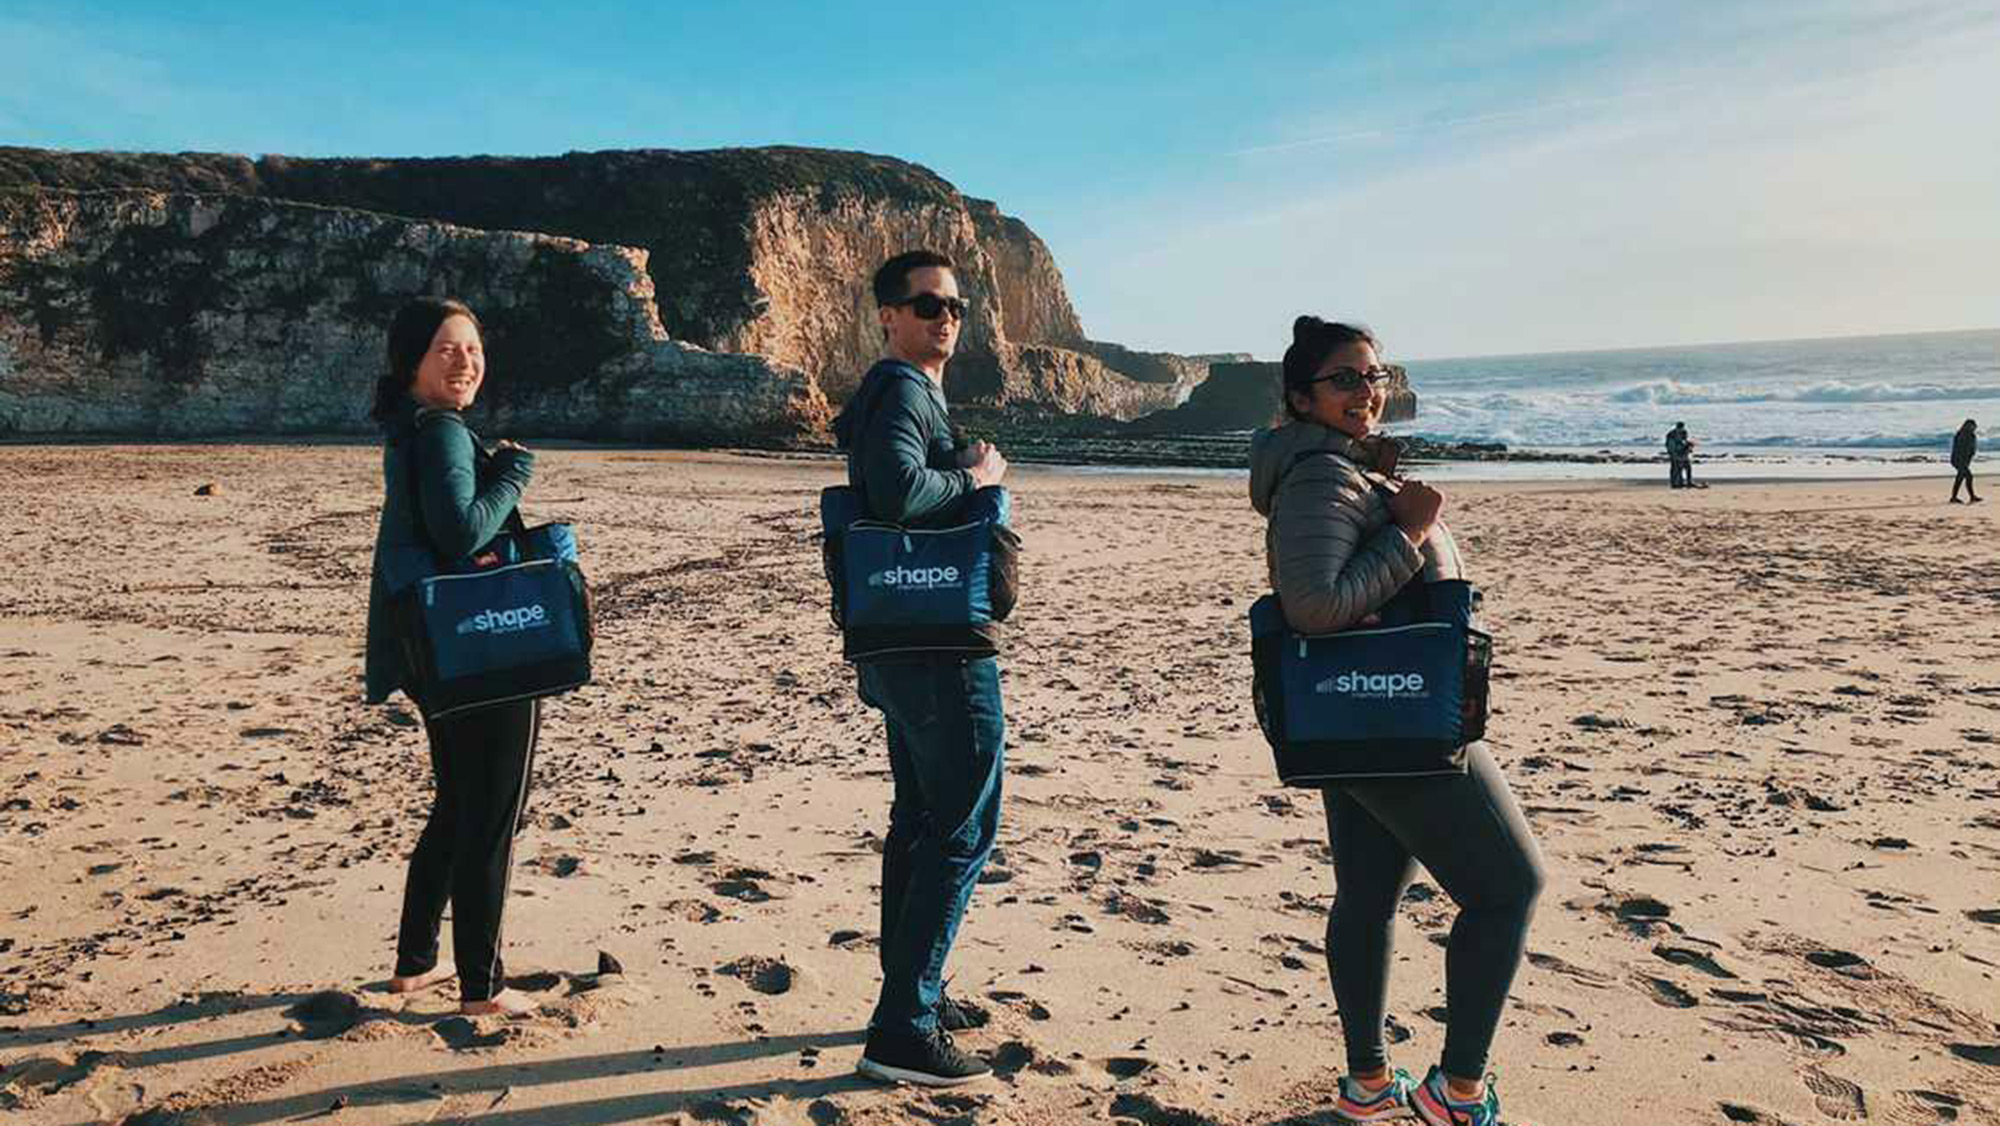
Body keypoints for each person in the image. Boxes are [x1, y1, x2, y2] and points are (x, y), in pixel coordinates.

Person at [1248, 316, 1545, 1126]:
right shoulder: (1319, 478)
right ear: (1301, 396)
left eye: (1375, 375)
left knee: (1370, 895)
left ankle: (1369, 1092)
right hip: (1394, 717)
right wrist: (1412, 531)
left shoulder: (1336, 469)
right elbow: (1311, 606)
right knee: (1511, 887)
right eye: (1345, 379)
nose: (1367, 392)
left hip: (1362, 719)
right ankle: (1457, 1094)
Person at [835, 251, 1010, 1087]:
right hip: (934, 643)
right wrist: (974, 476)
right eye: (927, 304)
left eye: (955, 305)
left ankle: (912, 991)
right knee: (961, 827)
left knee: (919, 819)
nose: (946, 317)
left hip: (899, 638)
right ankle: (904, 1024)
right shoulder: (902, 388)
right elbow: (899, 492)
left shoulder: (905, 389)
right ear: (889, 316)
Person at [364, 297, 543, 1017]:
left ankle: (415, 964)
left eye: (472, 347)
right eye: (446, 349)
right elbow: (461, 532)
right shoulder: (439, 430)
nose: (465, 360)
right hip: (479, 648)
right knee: (492, 814)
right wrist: (513, 472)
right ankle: (482, 988)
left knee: (459, 804)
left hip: (434, 648)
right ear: (411, 362)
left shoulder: (412, 428)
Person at [1950, 419, 1981, 504]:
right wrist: (1962, 462)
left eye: (1974, 426)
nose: (1974, 427)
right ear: (1967, 426)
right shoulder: (1960, 434)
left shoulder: (1972, 435)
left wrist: (1970, 456)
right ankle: (1972, 497)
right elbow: (1958, 449)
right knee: (1969, 476)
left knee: (1960, 478)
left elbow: (1971, 449)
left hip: (1965, 460)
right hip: (1958, 460)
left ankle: (1954, 497)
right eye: (1972, 425)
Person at [1665, 423, 1688, 488]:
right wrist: (1673, 453)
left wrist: (1686, 447)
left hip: (1681, 453)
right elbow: (1671, 446)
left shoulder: (1683, 432)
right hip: (1675, 453)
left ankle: (1681, 482)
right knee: (1676, 468)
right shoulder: (1672, 434)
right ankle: (1675, 483)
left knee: (1682, 468)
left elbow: (1684, 441)